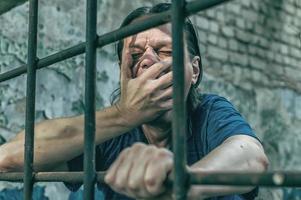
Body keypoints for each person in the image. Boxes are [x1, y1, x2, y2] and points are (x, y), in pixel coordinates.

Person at [0, 3, 269, 200]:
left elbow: (251, 157)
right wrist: (124, 115)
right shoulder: (111, 134)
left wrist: (181, 183)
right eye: (135, 54)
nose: (148, 61)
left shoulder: (209, 112)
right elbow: (9, 159)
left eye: (165, 50)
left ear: (194, 70)